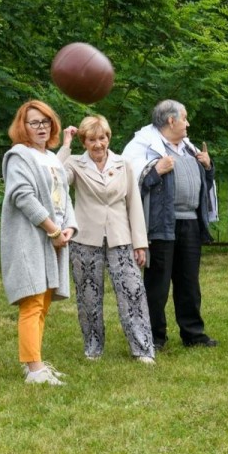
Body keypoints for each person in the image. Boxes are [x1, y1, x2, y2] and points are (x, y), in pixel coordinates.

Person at [60, 115, 155, 364]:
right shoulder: (74, 164)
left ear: (108, 138)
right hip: (85, 239)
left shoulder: (123, 164)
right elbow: (55, 179)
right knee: (88, 296)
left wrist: (140, 243)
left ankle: (143, 348)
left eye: (102, 138)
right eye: (91, 139)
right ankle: (93, 347)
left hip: (121, 237)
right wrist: (65, 145)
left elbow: (134, 203)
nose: (98, 144)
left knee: (133, 292)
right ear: (84, 141)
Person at [123, 99, 218, 350]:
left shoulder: (188, 147)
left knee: (189, 283)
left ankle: (193, 334)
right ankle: (154, 337)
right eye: (184, 118)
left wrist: (207, 166)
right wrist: (155, 170)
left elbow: (204, 182)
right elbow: (129, 182)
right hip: (160, 225)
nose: (188, 123)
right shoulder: (144, 147)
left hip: (190, 224)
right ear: (171, 120)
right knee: (158, 284)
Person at [0, 99, 78, 386]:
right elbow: (22, 195)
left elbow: (64, 196)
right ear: (23, 127)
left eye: (45, 121)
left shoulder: (50, 158)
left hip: (54, 237)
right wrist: (52, 229)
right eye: (35, 122)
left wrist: (68, 226)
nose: (41, 127)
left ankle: (35, 362)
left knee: (43, 302)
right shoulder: (19, 155)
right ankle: (34, 370)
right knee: (32, 301)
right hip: (30, 237)